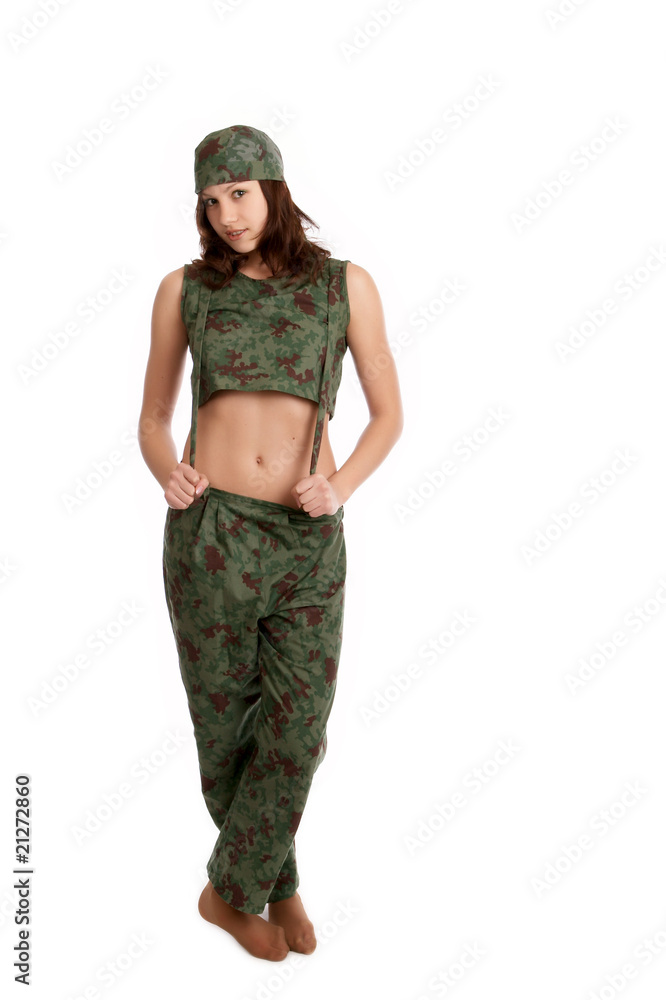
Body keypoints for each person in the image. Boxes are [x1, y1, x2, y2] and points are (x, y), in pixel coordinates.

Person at [138, 124, 403, 962]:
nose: (228, 215)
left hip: (306, 540)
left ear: (274, 188)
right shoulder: (185, 291)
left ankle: (225, 892)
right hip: (208, 535)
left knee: (297, 732)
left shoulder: (344, 285)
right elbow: (153, 420)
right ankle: (275, 887)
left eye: (240, 194)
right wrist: (166, 472)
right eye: (211, 201)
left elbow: (390, 414)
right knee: (225, 736)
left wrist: (342, 484)